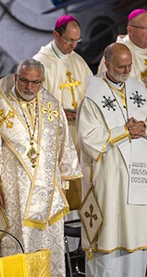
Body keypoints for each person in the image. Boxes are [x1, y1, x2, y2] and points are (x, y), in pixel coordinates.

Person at [0, 58, 82, 277]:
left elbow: (63, 143)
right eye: (25, 80)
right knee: (18, 243)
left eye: (35, 82)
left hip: (48, 191)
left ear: (42, 81)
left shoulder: (51, 103)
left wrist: (64, 179)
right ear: (16, 78)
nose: (30, 86)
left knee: (46, 246)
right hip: (13, 192)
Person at [78, 43, 147, 277]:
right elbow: (88, 139)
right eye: (121, 66)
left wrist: (146, 128)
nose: (127, 70)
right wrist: (124, 131)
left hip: (139, 171)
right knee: (113, 226)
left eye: (129, 66)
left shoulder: (139, 88)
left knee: (136, 226)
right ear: (106, 64)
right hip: (110, 173)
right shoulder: (93, 95)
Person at [33, 15, 92, 209]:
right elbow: (31, 101)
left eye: (77, 40)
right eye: (69, 40)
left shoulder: (79, 62)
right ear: (56, 35)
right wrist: (58, 113)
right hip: (54, 135)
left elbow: (92, 94)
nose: (74, 45)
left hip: (79, 133)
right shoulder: (40, 63)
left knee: (81, 189)